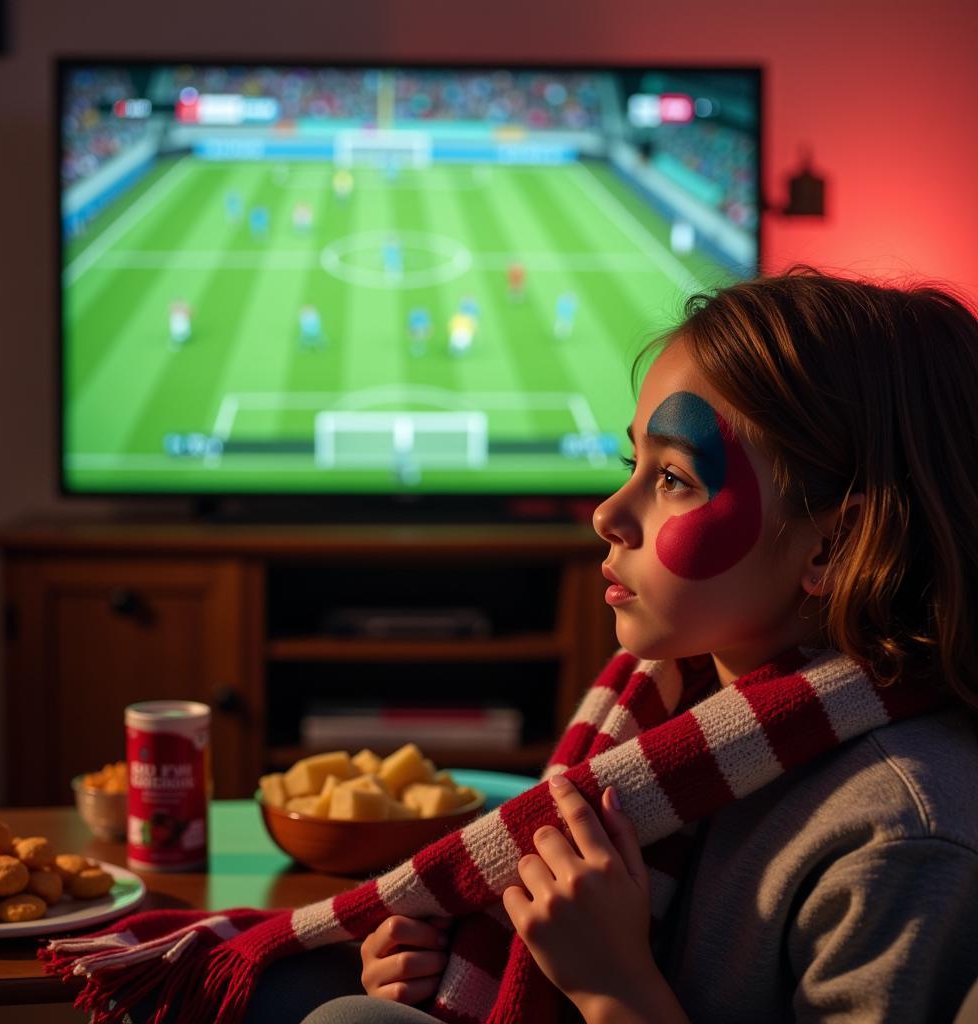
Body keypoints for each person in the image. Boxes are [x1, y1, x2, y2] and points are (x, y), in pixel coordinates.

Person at [51, 269, 978, 1024]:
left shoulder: (899, 836)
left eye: (675, 480)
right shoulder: (674, 712)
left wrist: (611, 986)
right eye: (631, 466)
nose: (608, 514)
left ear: (832, 545)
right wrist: (457, 956)